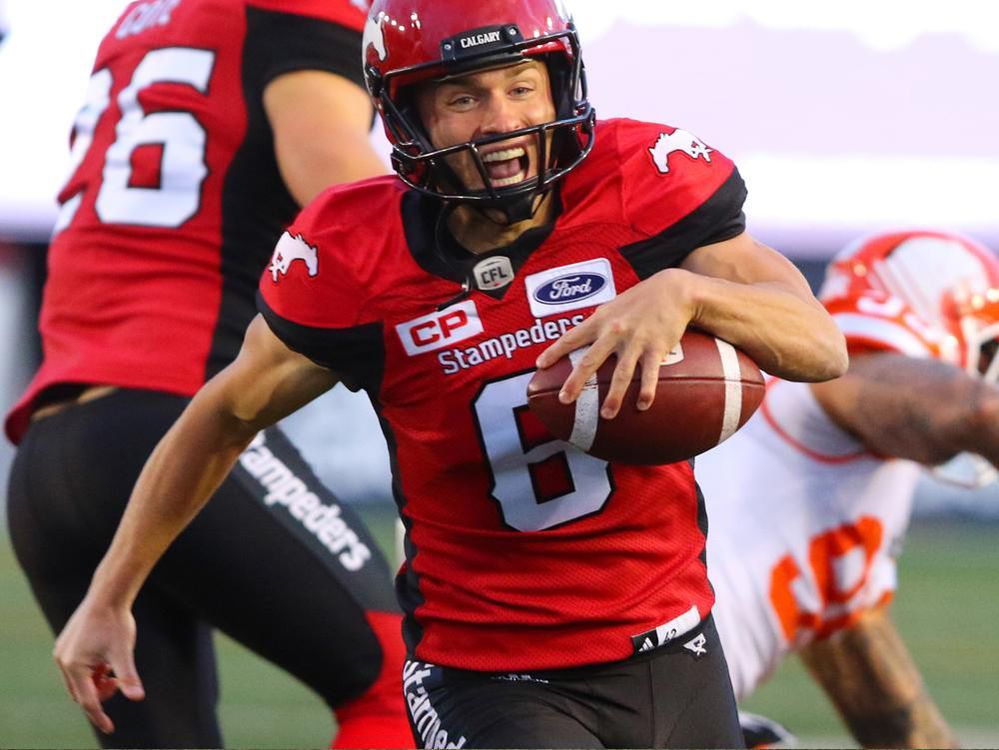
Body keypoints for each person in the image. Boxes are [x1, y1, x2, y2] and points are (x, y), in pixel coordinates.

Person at [51, 0, 849, 747]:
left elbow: (820, 347)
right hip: (493, 673)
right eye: (462, 98)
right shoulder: (356, 252)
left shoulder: (639, 183)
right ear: (405, 112)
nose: (502, 121)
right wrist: (110, 592)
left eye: (521, 87)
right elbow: (223, 417)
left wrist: (685, 291)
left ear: (560, 84)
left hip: (677, 642)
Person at [4, 1, 413, 748]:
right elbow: (356, 211)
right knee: (401, 687)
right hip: (168, 422)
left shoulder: (141, 21)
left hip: (49, 455)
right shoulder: (296, 12)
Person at [697, 229, 999, 748]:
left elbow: (888, 711)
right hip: (607, 700)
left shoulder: (867, 483)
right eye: (989, 349)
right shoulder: (833, 384)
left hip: (628, 699)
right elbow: (978, 411)